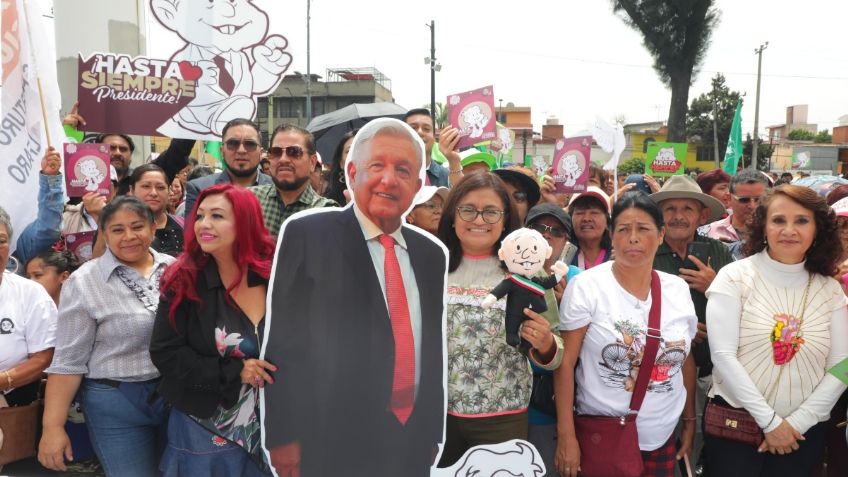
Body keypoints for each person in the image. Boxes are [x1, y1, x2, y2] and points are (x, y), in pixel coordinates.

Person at [263, 118, 448, 476]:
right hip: (328, 436)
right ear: (351, 171)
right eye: (377, 165)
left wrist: (430, 431)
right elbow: (283, 344)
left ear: (419, 184)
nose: (389, 180)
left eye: (404, 170)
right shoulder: (307, 235)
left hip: (410, 439)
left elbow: (431, 347)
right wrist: (282, 437)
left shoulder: (430, 254)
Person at [704, 184, 848, 477]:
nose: (789, 230)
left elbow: (842, 365)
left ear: (817, 229)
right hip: (736, 428)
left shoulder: (831, 290)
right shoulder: (734, 278)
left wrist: (795, 424)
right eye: (779, 220)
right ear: (763, 226)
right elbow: (723, 356)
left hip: (803, 435)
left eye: (801, 221)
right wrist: (770, 423)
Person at [556, 191, 698, 477]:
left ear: (660, 235)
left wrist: (690, 419)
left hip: (662, 434)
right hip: (605, 436)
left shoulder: (677, 289)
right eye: (624, 229)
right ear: (612, 234)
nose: (633, 237)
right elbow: (565, 364)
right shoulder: (587, 287)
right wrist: (566, 436)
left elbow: (686, 358)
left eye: (643, 229)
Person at [38, 196, 174, 476]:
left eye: (137, 227)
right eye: (117, 229)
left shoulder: (175, 269)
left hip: (176, 397)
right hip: (116, 402)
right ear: (104, 234)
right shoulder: (85, 281)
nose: (129, 237)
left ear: (152, 227)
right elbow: (67, 362)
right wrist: (52, 427)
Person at [436, 172, 564, 467]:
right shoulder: (431, 266)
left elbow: (557, 353)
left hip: (502, 421)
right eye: (468, 209)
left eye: (491, 211)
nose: (479, 220)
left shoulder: (529, 273)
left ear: (506, 220)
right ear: (452, 217)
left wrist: (545, 343)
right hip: (437, 419)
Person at [150, 184, 276, 476]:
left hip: (274, 424)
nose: (204, 224)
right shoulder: (184, 280)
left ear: (245, 223)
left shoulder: (275, 275)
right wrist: (234, 371)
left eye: (217, 216)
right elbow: (165, 352)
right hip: (206, 426)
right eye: (200, 216)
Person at [649, 175, 733, 472]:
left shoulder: (720, 252)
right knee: (667, 446)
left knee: (708, 444)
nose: (678, 216)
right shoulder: (647, 253)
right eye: (670, 208)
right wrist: (678, 332)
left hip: (715, 371)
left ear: (702, 215)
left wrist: (714, 285)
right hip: (662, 374)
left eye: (687, 208)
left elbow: (743, 307)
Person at [524, 203, 581, 476]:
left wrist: (566, 306)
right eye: (538, 227)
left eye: (556, 231)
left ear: (566, 242)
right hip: (510, 403)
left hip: (551, 403)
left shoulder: (579, 282)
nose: (546, 235)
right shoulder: (507, 274)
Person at [0, 207, 58, 410]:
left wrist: (4, 380)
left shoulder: (31, 293)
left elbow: (43, 358)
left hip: (13, 402)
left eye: (1, 241)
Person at [249, 124, 338, 237]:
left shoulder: (326, 212)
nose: (283, 159)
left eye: (294, 152)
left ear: (312, 162)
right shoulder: (250, 199)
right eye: (276, 152)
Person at [184, 118, 273, 216]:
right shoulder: (199, 188)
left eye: (250, 144)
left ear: (260, 153)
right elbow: (192, 231)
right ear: (222, 151)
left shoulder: (276, 189)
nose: (241, 150)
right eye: (233, 143)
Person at [126, 164, 184, 257]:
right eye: (146, 186)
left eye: (160, 187)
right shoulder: (117, 227)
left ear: (169, 191)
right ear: (131, 190)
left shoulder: (183, 225)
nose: (153, 193)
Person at [699, 168, 769, 245]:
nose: (752, 206)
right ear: (729, 198)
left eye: (759, 200)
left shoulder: (775, 234)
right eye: (744, 200)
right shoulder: (706, 233)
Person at [404, 108, 464, 187]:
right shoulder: (391, 174)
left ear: (434, 138)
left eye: (426, 129)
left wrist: (454, 162)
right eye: (413, 128)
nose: (420, 132)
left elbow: (462, 196)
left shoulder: (446, 176)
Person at [567, 186, 613, 269]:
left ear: (607, 221)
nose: (586, 219)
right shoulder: (563, 257)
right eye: (580, 213)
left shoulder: (617, 256)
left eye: (594, 212)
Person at [324, 129, 358, 205]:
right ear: (341, 163)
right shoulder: (329, 204)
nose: (355, 155)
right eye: (349, 151)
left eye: (360, 149)